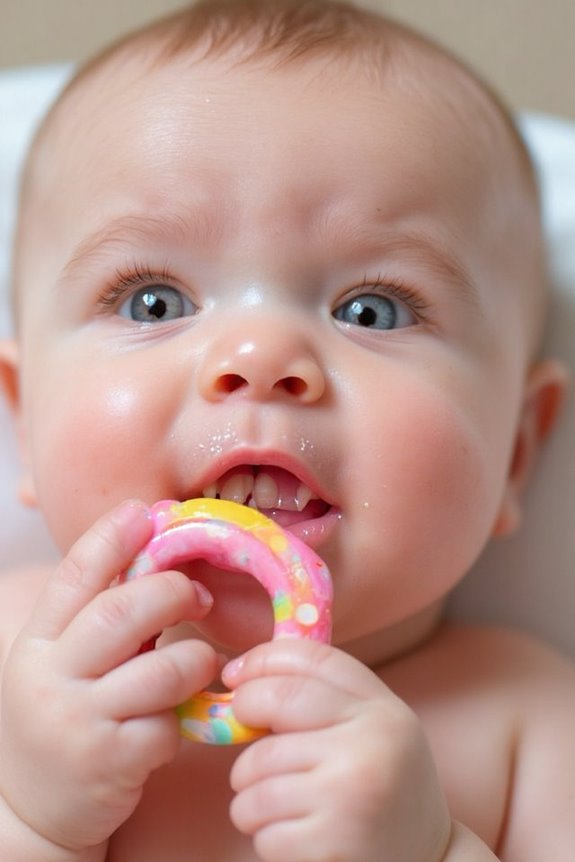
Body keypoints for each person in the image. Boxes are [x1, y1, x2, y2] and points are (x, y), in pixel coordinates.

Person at [0, 0, 573, 859]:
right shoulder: (12, 654)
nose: (259, 356)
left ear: (516, 454)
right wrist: (29, 817)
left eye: (372, 310)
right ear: (23, 417)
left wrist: (433, 847)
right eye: (153, 301)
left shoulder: (526, 721)